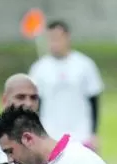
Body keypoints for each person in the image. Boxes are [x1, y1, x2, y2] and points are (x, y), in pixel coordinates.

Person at [29, 21, 104, 152]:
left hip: (81, 134)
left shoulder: (84, 64)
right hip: (50, 135)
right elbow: (34, 104)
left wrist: (93, 133)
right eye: (51, 39)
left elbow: (94, 100)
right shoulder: (39, 68)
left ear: (67, 37)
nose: (54, 43)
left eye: (57, 38)